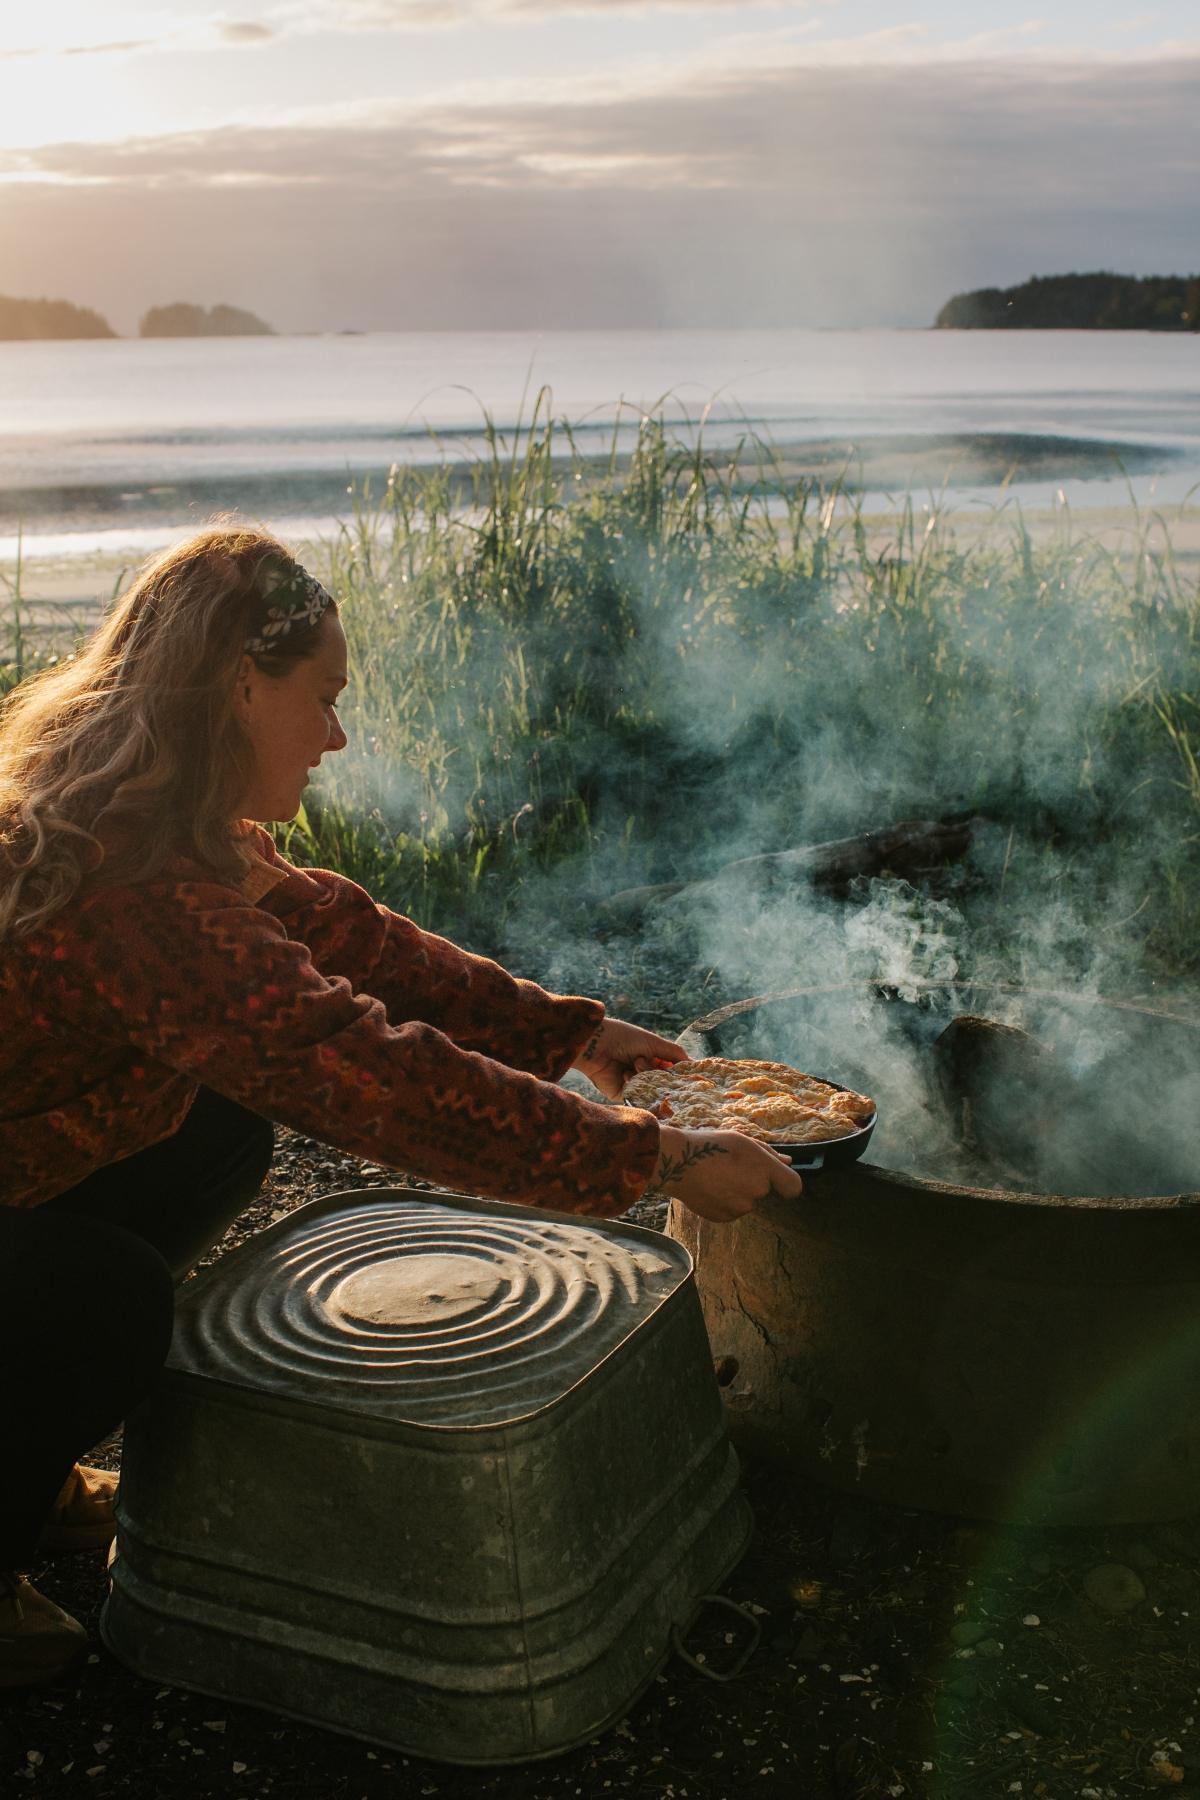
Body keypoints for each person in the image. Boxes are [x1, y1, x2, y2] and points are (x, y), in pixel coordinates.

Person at [0, 525, 802, 1689]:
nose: (335, 735)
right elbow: (375, 1080)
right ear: (237, 685)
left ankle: (25, 1456)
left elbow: (344, 939)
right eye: (320, 699)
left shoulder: (141, 808)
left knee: (216, 1132)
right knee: (106, 1300)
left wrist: (569, 1034)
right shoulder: (134, 893)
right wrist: (662, 1161)